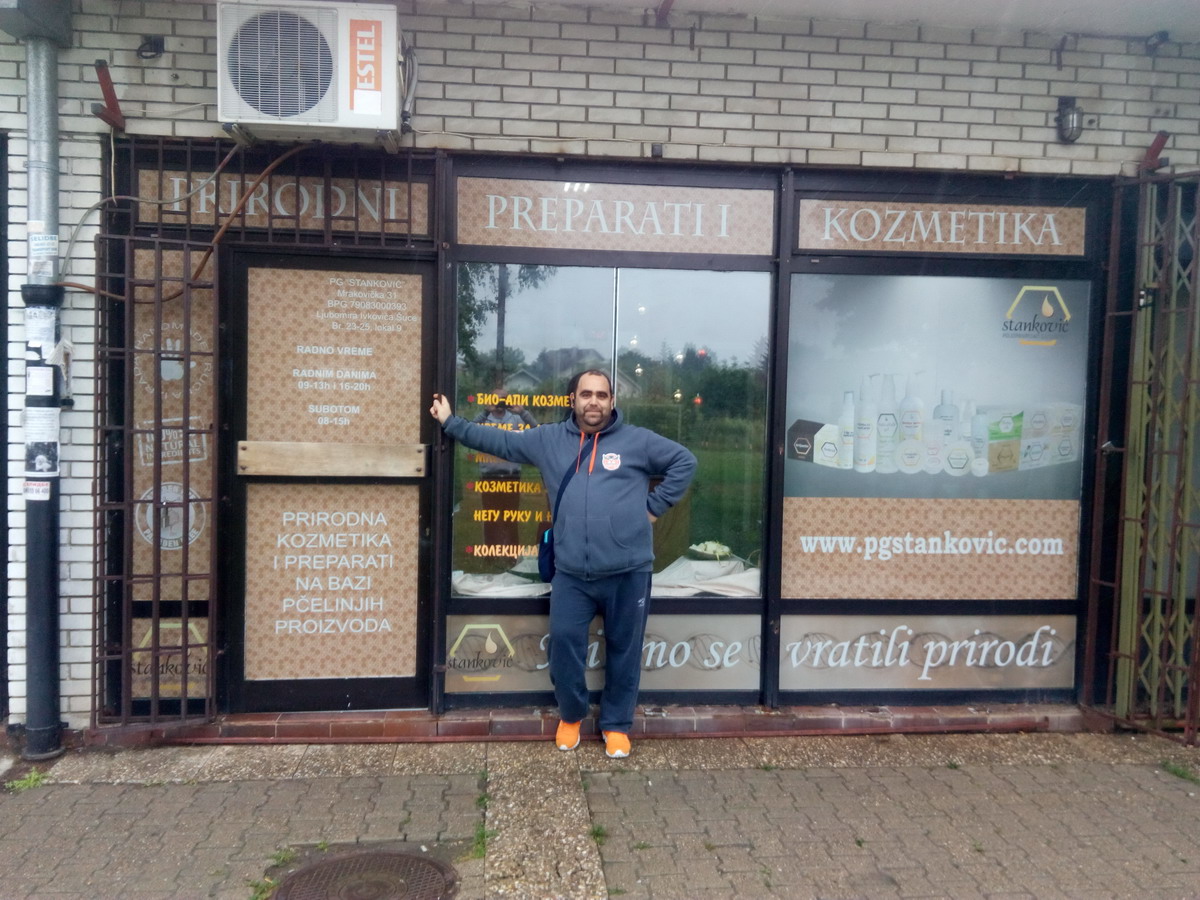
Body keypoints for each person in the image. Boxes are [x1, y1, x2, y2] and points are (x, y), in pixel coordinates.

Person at [431, 369, 696, 758]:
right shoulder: (548, 440)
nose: (594, 402)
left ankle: (616, 725)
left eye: (602, 395)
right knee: (564, 649)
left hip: (629, 571)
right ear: (573, 400)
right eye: (586, 394)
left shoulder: (637, 441)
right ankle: (571, 715)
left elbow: (684, 461)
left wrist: (653, 509)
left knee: (624, 652)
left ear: (612, 401)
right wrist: (451, 423)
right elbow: (499, 440)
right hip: (572, 573)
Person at [469, 389, 539, 562]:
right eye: (496, 399)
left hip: (511, 476)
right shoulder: (485, 420)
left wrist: (522, 412)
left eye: (503, 400)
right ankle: (490, 556)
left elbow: (538, 432)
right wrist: (486, 411)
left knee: (511, 518)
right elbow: (468, 431)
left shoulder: (515, 419)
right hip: (490, 476)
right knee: (490, 518)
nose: (500, 403)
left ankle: (511, 556)